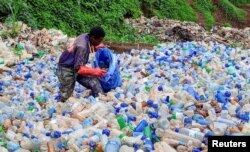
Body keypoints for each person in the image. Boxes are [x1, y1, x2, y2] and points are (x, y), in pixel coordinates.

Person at [57, 26, 107, 102]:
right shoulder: (82, 46)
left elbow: (88, 48)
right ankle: (59, 106)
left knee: (94, 82)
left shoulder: (87, 36)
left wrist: (96, 47)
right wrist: (95, 71)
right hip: (66, 68)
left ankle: (100, 101)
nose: (100, 42)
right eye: (99, 40)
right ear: (93, 37)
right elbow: (79, 69)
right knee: (66, 95)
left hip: (76, 64)